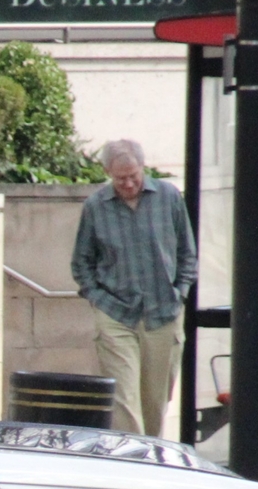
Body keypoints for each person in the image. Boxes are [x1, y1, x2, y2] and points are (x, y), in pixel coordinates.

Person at [70, 139, 196, 435]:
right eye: (119, 178)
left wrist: (181, 293)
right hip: (115, 314)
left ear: (143, 168)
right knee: (124, 400)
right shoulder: (95, 206)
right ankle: (134, 462)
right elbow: (81, 262)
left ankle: (151, 467)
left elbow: (186, 252)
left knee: (155, 403)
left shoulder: (169, 197)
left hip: (163, 312)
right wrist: (97, 298)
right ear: (107, 173)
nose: (127, 183)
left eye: (133, 176)